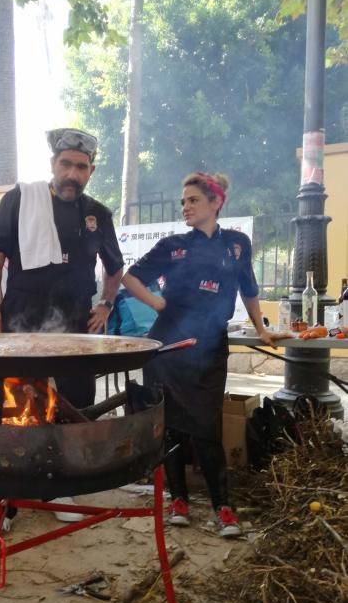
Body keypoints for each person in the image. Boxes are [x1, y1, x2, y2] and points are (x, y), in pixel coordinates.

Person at [122, 172, 288, 538]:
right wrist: (158, 303)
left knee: (206, 427)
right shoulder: (172, 245)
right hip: (167, 346)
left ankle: (222, 507)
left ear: (215, 203)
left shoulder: (237, 245)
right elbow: (130, 277)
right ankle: (178, 500)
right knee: (169, 426)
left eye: (193, 200)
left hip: (210, 345)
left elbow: (249, 289)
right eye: (183, 201)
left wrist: (262, 328)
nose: (186, 207)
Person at [0, 127, 124, 525]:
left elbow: (115, 268)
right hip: (21, 324)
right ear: (53, 166)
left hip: (76, 328)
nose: (72, 174)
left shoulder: (99, 214)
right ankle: (3, 504)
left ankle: (62, 488)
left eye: (80, 167)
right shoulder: (20, 200)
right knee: (12, 414)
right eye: (66, 165)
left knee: (74, 412)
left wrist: (106, 305)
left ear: (90, 172)